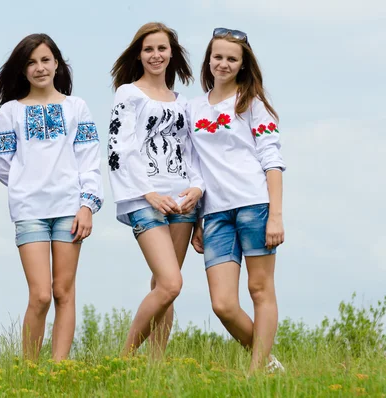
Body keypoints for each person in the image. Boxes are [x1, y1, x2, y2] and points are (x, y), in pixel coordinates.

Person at [0, 34, 103, 361]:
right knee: (40, 295)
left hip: (71, 209)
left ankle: (58, 370)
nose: (39, 68)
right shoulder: (9, 112)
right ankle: (29, 371)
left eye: (45, 60)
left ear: (57, 63)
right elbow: (2, 165)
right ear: (22, 70)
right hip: (29, 211)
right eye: (31, 62)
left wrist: (87, 205)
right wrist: (25, 184)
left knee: (63, 292)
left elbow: (90, 159)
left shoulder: (76, 107)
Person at [188, 28, 286, 373]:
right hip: (215, 214)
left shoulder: (253, 104)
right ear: (208, 60)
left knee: (260, 290)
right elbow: (195, 167)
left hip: (254, 206)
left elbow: (272, 161)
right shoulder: (193, 108)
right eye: (218, 57)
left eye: (232, 58)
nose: (224, 63)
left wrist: (276, 215)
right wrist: (197, 220)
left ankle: (257, 371)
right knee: (223, 304)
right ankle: (269, 361)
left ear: (243, 65)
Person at [107, 22, 205, 357]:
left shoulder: (184, 102)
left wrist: (197, 188)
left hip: (182, 201)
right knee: (170, 282)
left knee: (165, 287)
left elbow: (192, 152)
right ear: (139, 54)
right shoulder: (128, 94)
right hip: (146, 199)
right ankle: (125, 358)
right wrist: (148, 193)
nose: (155, 55)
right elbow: (120, 148)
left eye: (162, 48)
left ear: (172, 53)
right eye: (148, 49)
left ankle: (157, 367)